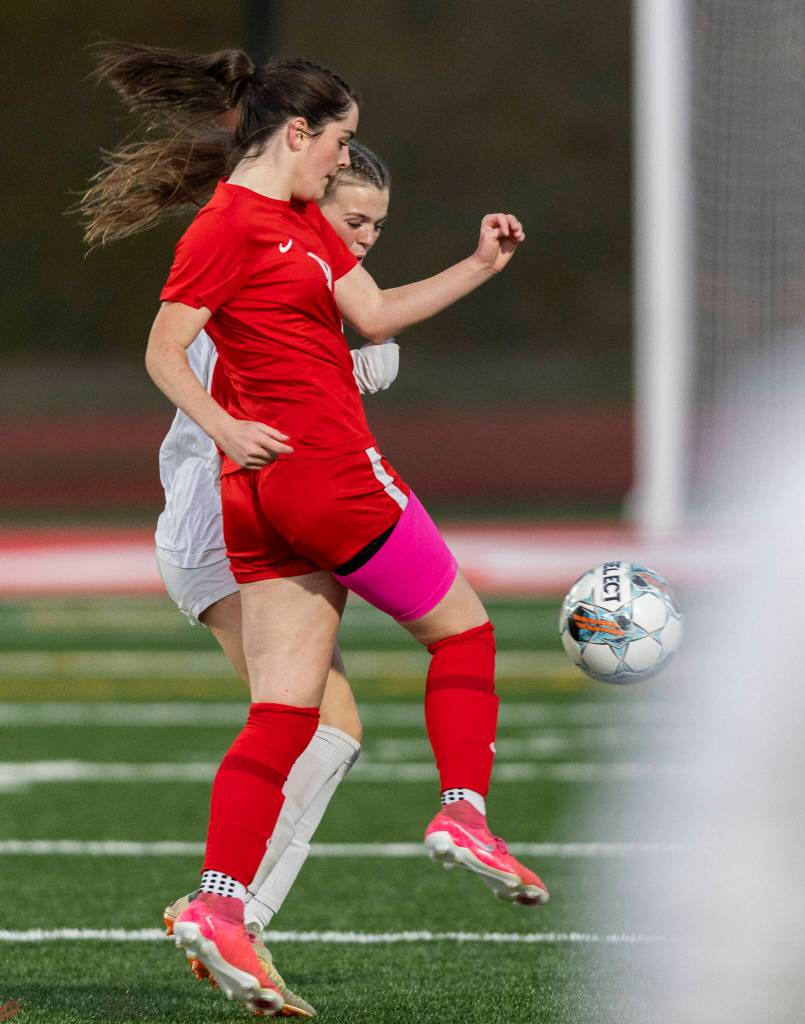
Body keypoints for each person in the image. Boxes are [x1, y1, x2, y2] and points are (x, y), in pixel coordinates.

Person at [83, 42, 547, 1017]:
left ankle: (221, 911)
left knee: (295, 717)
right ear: (299, 135)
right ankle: (463, 811)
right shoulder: (236, 229)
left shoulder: (297, 227)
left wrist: (477, 263)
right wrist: (230, 422)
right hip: (288, 482)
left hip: (255, 495)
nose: (345, 168)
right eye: (340, 151)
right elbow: (169, 347)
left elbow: (369, 317)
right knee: (461, 631)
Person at [155, 142, 395, 1017]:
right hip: (219, 517)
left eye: (376, 226)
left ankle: (228, 915)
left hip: (228, 515)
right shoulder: (268, 257)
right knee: (316, 726)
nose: (363, 241)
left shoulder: (297, 264)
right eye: (350, 220)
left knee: (323, 726)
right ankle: (228, 915)